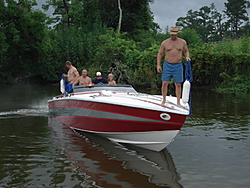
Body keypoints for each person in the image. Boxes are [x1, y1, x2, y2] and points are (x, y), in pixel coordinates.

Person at [157, 26, 191, 106]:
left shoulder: (182, 42)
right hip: (167, 64)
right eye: (172, 34)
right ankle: (164, 100)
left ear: (177, 34)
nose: (173, 36)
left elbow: (186, 51)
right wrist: (158, 65)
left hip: (178, 65)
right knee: (165, 82)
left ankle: (178, 101)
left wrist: (187, 57)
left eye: (175, 34)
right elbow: (160, 53)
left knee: (178, 84)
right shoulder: (165, 43)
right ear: (170, 34)